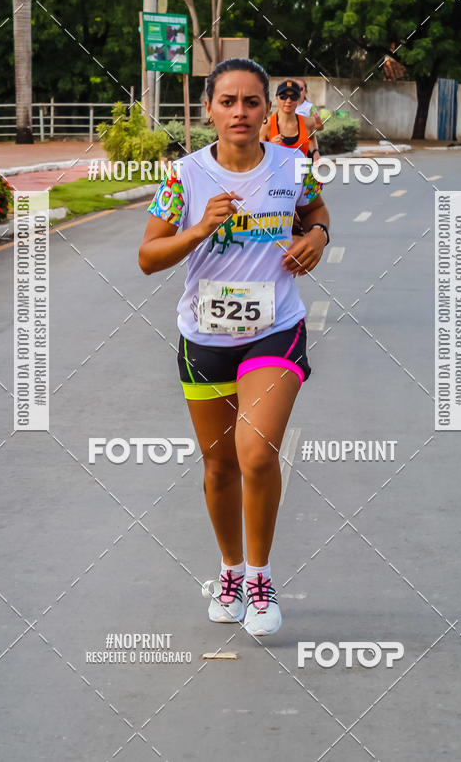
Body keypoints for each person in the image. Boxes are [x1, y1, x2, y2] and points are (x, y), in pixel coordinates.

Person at [139, 58, 330, 637]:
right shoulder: (184, 177)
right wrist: (198, 230)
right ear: (209, 110)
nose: (240, 112)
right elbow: (148, 257)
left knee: (256, 452)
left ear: (268, 108)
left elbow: (315, 211)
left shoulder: (293, 167)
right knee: (219, 466)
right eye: (228, 102)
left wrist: (317, 236)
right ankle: (230, 570)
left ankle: (261, 578)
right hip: (204, 337)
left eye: (251, 101)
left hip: (274, 329)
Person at [295, 78, 324, 162]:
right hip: (292, 147)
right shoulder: (288, 106)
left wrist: (307, 126)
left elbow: (320, 126)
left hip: (307, 147)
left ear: (305, 91)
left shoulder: (311, 108)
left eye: (301, 89)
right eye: (295, 88)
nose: (298, 91)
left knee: (307, 170)